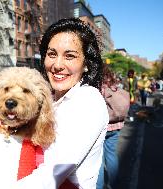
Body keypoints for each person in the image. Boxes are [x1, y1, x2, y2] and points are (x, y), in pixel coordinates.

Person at [15, 18, 109, 189]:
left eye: (70, 56)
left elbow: (52, 174)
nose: (57, 65)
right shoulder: (49, 99)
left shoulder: (88, 101)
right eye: (52, 54)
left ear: (86, 64)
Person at [97, 65, 130, 189]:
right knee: (111, 154)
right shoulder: (114, 87)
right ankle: (114, 184)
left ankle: (98, 186)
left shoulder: (97, 87)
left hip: (100, 129)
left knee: (98, 159)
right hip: (116, 126)